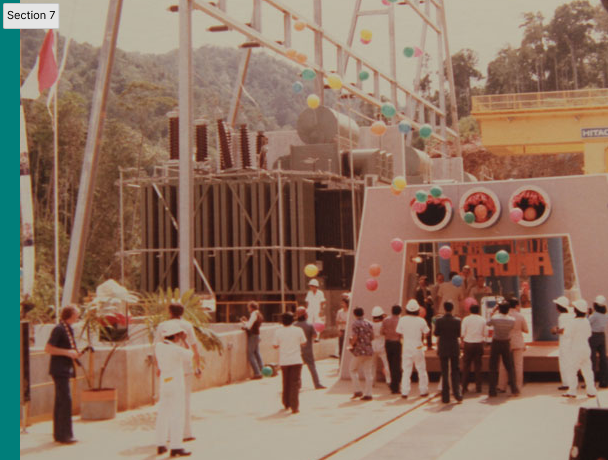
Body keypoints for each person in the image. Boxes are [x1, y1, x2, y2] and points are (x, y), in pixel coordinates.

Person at [155, 303, 202, 442]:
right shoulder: (187, 325)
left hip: (166, 370)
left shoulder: (162, 326)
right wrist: (197, 366)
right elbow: (193, 349)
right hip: (184, 369)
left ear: (169, 312)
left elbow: (156, 346)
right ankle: (186, 432)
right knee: (184, 401)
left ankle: (166, 436)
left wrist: (158, 367)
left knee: (166, 405)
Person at [155, 321, 193, 457]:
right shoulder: (176, 350)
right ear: (176, 336)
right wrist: (185, 340)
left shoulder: (159, 347)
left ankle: (160, 444)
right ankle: (176, 446)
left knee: (163, 413)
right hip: (175, 383)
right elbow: (190, 355)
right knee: (177, 414)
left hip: (164, 382)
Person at [45, 305, 82, 444]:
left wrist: (75, 354)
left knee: (61, 401)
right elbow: (48, 348)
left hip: (65, 368)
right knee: (65, 401)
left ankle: (60, 433)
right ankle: (65, 434)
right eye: (76, 313)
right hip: (59, 369)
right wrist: (67, 353)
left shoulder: (69, 329)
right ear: (71, 314)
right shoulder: (59, 329)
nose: (78, 315)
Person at [562, 299, 597, 398]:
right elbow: (589, 334)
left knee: (572, 370)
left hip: (575, 348)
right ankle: (591, 390)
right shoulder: (586, 321)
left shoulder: (573, 322)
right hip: (585, 347)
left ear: (576, 310)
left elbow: (567, 334)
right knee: (587, 370)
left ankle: (572, 391)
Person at [273, 312, 307, 413]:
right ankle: (295, 406)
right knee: (295, 383)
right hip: (296, 360)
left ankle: (286, 402)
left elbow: (275, 345)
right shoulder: (298, 330)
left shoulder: (278, 332)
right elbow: (304, 342)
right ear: (293, 320)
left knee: (286, 382)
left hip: (284, 360)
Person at [396, 299, 430, 399]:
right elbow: (427, 332)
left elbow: (398, 332)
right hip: (418, 346)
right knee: (421, 369)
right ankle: (423, 390)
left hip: (406, 345)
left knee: (406, 370)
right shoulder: (421, 320)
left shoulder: (402, 319)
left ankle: (404, 392)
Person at [487, 301, 519, 397]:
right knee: (510, 367)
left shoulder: (495, 318)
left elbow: (488, 323)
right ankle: (514, 389)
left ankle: (492, 391)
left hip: (496, 342)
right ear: (508, 309)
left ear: (499, 309)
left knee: (493, 367)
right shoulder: (512, 320)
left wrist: (493, 311)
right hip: (506, 343)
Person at [498, 298, 529, 392]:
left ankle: (501, 386)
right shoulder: (520, 316)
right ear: (516, 305)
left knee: (503, 364)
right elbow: (526, 330)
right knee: (518, 365)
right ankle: (518, 386)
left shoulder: (502, 315)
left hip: (505, 341)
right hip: (518, 342)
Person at [434, 302, 462, 403]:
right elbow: (459, 334)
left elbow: (436, 333)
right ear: (452, 308)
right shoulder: (458, 321)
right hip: (454, 347)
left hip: (443, 347)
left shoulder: (439, 320)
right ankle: (457, 394)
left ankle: (445, 397)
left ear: (444, 308)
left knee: (444, 372)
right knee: (455, 371)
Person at [294, 307, 326, 389]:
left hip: (297, 350)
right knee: (312, 367)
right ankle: (317, 384)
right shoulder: (309, 325)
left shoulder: (294, 326)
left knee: (298, 368)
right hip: (308, 349)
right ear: (305, 315)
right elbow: (315, 336)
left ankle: (298, 385)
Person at [348, 307, 374, 401]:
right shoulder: (369, 323)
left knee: (352, 369)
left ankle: (357, 390)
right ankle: (368, 393)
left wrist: (351, 344)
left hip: (359, 350)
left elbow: (355, 336)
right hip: (369, 349)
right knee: (368, 372)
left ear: (355, 314)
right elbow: (372, 336)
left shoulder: (355, 324)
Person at [461, 302, 487, 394]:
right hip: (478, 343)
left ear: (469, 310)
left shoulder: (466, 319)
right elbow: (486, 334)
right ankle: (478, 387)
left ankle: (464, 387)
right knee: (478, 366)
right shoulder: (483, 320)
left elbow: (462, 333)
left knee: (466, 366)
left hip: (468, 343)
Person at [550, 296, 574, 391]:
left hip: (565, 342)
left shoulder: (562, 317)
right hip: (572, 341)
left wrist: (555, 330)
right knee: (571, 362)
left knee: (564, 362)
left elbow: (563, 330)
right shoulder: (571, 315)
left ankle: (566, 383)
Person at [382, 305, 403, 394]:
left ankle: (392, 384)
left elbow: (382, 331)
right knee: (396, 365)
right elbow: (401, 333)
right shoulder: (400, 320)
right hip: (396, 343)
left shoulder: (386, 320)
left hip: (388, 343)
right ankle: (396, 386)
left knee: (390, 364)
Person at [240, 301, 264, 379]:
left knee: (250, 354)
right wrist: (246, 322)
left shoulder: (254, 314)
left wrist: (244, 325)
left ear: (251, 308)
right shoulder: (259, 314)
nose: (248, 309)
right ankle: (262, 370)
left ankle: (257, 373)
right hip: (257, 334)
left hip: (253, 335)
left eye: (249, 307)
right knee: (257, 353)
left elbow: (249, 326)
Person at [588, 295, 608, 388]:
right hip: (602, 336)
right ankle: (604, 381)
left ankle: (591, 382)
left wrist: (589, 314)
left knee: (592, 359)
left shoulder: (594, 315)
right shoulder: (605, 315)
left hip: (593, 336)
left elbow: (587, 322)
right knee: (603, 359)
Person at [370, 306, 391, 387]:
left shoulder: (370, 324)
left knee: (372, 365)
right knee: (386, 363)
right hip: (382, 345)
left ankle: (372, 381)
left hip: (373, 345)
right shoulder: (383, 323)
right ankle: (388, 380)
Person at [415, 276, 434, 349]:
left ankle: (429, 345)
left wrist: (429, 301)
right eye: (421, 280)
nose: (422, 282)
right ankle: (420, 343)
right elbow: (417, 301)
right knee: (420, 328)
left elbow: (431, 301)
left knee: (429, 327)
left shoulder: (428, 290)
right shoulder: (417, 290)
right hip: (421, 311)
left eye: (424, 281)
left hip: (428, 311)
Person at [336, 296, 349, 362]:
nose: (342, 304)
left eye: (343, 303)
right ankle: (340, 363)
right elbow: (337, 321)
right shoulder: (339, 312)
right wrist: (338, 330)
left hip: (348, 331)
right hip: (342, 330)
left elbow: (349, 321)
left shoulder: (349, 312)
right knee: (341, 348)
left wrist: (343, 322)